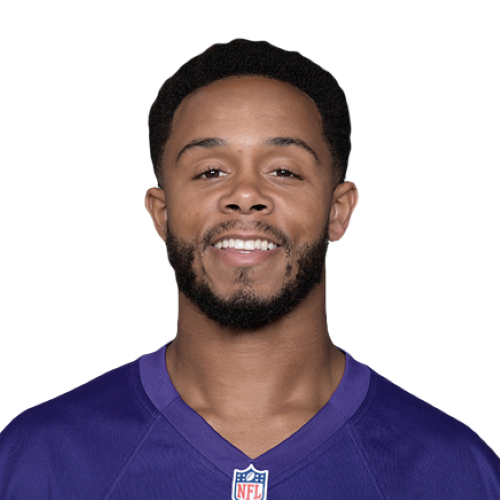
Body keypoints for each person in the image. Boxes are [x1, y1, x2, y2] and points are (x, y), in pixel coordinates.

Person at [1, 38, 498, 499]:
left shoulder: (455, 468)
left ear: (339, 210)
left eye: (283, 170)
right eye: (210, 171)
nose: (244, 195)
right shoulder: (37, 456)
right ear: (161, 214)